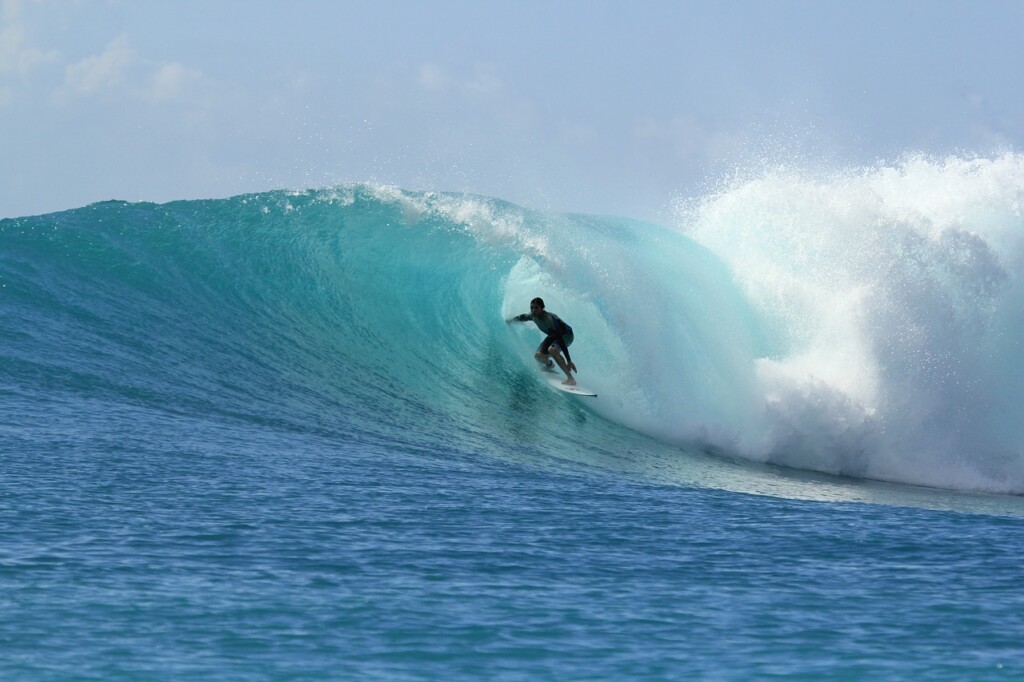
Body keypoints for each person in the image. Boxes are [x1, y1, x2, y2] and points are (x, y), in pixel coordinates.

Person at [506, 297, 578, 385]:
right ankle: (549, 365)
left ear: (542, 308)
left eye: (536, 308)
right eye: (532, 307)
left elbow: (560, 340)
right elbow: (523, 317)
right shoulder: (533, 316)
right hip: (553, 335)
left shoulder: (550, 319)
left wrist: (569, 360)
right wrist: (510, 320)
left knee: (552, 350)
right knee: (538, 356)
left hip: (566, 335)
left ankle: (570, 378)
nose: (533, 310)